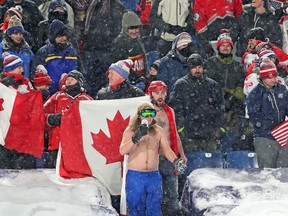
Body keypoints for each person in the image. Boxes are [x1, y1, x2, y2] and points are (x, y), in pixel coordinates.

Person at [119, 102, 187, 216]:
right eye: (146, 114)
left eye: (151, 114)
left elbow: (167, 150)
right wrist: (136, 137)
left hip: (153, 175)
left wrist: (176, 161)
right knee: (135, 208)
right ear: (139, 115)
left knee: (154, 208)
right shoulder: (130, 130)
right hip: (135, 176)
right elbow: (122, 150)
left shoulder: (158, 130)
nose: (149, 117)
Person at [169, 53, 225, 153]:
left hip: (210, 135)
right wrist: (181, 130)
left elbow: (220, 109)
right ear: (189, 69)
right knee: (191, 165)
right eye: (194, 67)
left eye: (199, 67)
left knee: (212, 166)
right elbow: (175, 110)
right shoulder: (180, 85)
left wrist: (220, 129)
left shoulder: (213, 85)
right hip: (189, 136)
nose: (197, 70)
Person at [203, 29, 247, 152]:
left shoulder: (238, 66)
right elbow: (209, 85)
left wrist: (232, 97)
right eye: (223, 45)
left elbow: (242, 87)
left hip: (234, 108)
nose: (226, 48)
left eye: (228, 46)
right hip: (214, 107)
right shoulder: (210, 63)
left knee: (232, 136)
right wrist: (223, 95)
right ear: (218, 47)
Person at [148, 80, 187, 216]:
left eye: (163, 92)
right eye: (157, 92)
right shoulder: (146, 112)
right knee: (154, 195)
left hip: (169, 158)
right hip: (152, 159)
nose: (160, 95)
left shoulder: (169, 111)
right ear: (151, 94)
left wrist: (181, 154)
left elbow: (174, 134)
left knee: (172, 195)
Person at [43, 70, 92, 167]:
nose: (68, 81)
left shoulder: (87, 99)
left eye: (72, 79)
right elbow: (40, 114)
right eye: (67, 79)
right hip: (57, 144)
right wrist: (51, 119)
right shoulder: (57, 97)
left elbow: (94, 121)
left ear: (79, 82)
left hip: (78, 146)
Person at [246, 59, 288, 168]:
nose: (273, 79)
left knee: (283, 170)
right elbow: (254, 116)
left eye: (274, 76)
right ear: (262, 77)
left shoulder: (282, 89)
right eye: (269, 77)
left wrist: (280, 130)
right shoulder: (255, 93)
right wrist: (269, 128)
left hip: (282, 135)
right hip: (264, 137)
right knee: (267, 170)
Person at [82, 0, 125, 97]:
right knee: (89, 78)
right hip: (90, 47)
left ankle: (105, 99)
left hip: (106, 49)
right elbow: (86, 23)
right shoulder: (92, 3)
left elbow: (118, 28)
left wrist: (108, 40)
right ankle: (90, 98)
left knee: (106, 77)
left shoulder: (116, 5)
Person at [0, 52, 35, 169]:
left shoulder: (25, 82)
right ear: (10, 69)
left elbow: (33, 102)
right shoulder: (1, 82)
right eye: (19, 67)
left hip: (21, 131)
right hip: (4, 131)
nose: (22, 70)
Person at [31, 19, 83, 95]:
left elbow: (81, 72)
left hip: (70, 96)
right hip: (49, 95)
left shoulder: (73, 52)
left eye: (65, 35)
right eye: (60, 36)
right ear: (53, 37)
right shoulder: (44, 52)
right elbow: (34, 74)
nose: (64, 38)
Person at [111, 11, 149, 92]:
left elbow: (144, 59)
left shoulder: (138, 40)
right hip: (128, 85)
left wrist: (146, 75)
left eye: (136, 28)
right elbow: (120, 68)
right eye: (131, 28)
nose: (134, 31)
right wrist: (137, 79)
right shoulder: (119, 43)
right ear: (125, 28)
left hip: (141, 81)